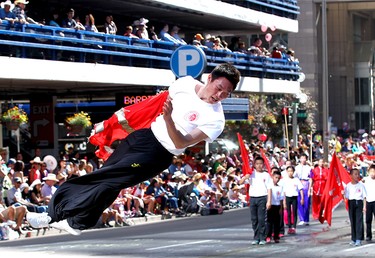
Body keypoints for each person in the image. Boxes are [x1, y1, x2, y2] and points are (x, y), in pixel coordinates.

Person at [25, 63, 241, 235]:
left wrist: (169, 121)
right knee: (108, 183)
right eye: (219, 88)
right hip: (143, 137)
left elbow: (181, 143)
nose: (219, 95)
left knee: (107, 178)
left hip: (158, 153)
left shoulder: (215, 119)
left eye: (226, 93)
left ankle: (51, 215)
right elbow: (150, 107)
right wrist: (113, 124)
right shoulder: (184, 83)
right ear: (209, 78)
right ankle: (77, 222)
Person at [248, 156, 272, 245]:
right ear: (254, 165)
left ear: (263, 165)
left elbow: (269, 188)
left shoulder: (266, 175)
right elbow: (240, 182)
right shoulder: (251, 174)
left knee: (261, 219)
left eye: (260, 164)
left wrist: (269, 201)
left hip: (262, 197)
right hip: (253, 198)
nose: (259, 166)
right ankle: (256, 237)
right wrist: (246, 176)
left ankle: (262, 237)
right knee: (254, 219)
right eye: (257, 164)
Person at [344, 168, 366, 246]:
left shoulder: (361, 185)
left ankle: (358, 239)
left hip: (358, 203)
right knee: (352, 221)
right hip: (351, 203)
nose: (357, 176)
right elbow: (346, 196)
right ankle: (353, 238)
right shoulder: (348, 186)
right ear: (351, 175)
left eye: (358, 174)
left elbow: (364, 197)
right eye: (355, 174)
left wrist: (364, 206)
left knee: (358, 221)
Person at [282, 165, 304, 234]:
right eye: (288, 171)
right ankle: (289, 227)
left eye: (291, 171)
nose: (290, 173)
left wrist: (302, 198)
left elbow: (300, 189)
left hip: (294, 197)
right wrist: (284, 201)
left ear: (293, 172)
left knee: (294, 212)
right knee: (288, 213)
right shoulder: (285, 180)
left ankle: (294, 227)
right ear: (286, 172)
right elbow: (284, 191)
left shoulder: (296, 180)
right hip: (288, 197)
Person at [266, 170, 283, 243]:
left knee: (277, 222)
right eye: (276, 177)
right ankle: (268, 236)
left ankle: (276, 236)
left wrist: (281, 207)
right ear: (272, 177)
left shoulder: (280, 187)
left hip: (277, 205)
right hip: (271, 205)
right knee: (269, 221)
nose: (277, 179)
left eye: (278, 178)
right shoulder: (269, 186)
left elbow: (281, 198)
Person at [294, 154, 312, 225]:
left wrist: (310, 189)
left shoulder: (309, 168)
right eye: (302, 158)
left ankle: (306, 219)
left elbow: (311, 178)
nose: (303, 159)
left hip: (306, 184)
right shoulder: (296, 167)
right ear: (300, 159)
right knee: (300, 202)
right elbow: (294, 176)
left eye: (304, 158)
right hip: (299, 183)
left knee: (307, 203)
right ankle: (301, 219)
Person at [362, 164, 375, 241]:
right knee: (368, 220)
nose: (372, 173)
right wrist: (364, 205)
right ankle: (368, 235)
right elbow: (364, 194)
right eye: (371, 172)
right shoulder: (365, 180)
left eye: (374, 171)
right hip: (368, 202)